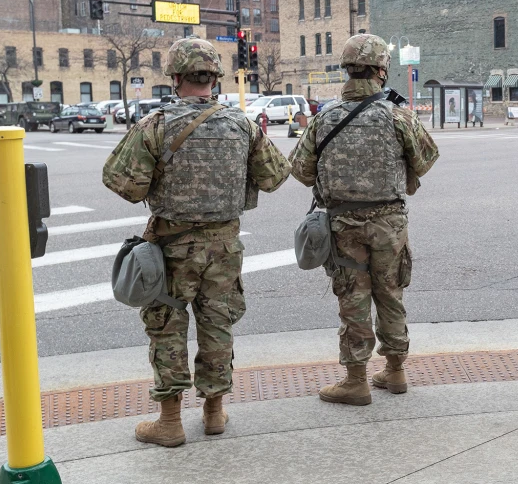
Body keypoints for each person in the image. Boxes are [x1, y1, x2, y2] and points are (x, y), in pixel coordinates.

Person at [102, 37, 290, 447]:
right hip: (224, 245)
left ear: (175, 77)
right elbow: (275, 177)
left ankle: (169, 422)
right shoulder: (242, 124)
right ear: (215, 78)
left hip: (171, 247)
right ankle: (214, 412)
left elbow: (122, 183)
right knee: (216, 324)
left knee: (167, 326)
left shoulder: (155, 124)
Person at [289, 33, 439, 406]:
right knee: (390, 293)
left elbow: (301, 169)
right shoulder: (397, 115)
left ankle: (355, 379)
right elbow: (425, 160)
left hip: (342, 224)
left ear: (348, 70)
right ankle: (396, 370)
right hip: (389, 222)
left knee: (353, 298)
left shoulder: (324, 118)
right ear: (380, 70)